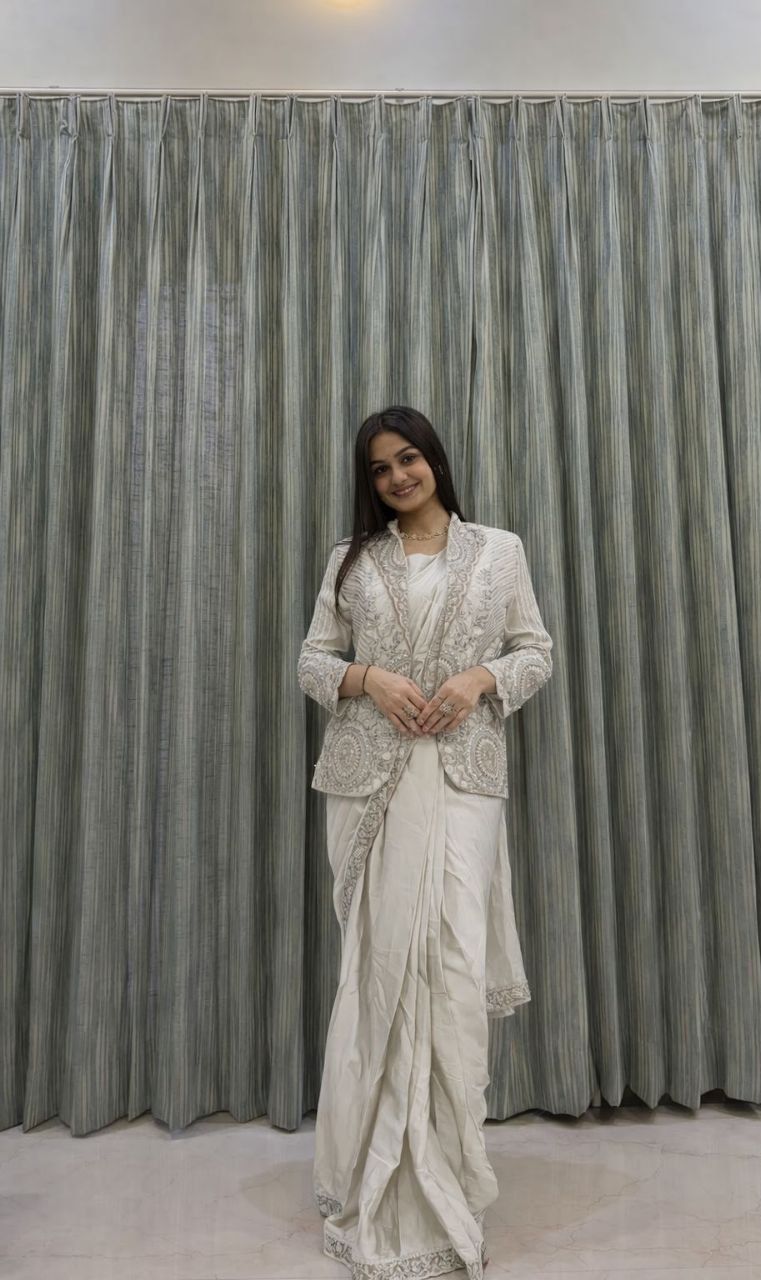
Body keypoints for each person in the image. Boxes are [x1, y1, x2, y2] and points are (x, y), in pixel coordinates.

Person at [297, 405, 554, 1279]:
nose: (397, 477)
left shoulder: (498, 551)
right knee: (380, 971)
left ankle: (446, 1178)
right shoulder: (351, 560)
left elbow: (534, 651)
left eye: (408, 459)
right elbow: (312, 662)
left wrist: (480, 677)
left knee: (449, 963)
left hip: (461, 779)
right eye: (379, 468)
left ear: (434, 460)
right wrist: (368, 678)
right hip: (368, 784)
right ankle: (366, 1175)